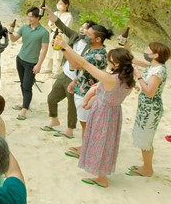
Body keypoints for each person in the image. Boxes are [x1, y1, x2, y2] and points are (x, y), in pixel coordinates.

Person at [57, 37, 136, 187]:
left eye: (110, 59)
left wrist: (66, 46)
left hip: (103, 112)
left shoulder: (110, 79)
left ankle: (102, 178)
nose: (108, 60)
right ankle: (102, 174)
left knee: (99, 142)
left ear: (117, 64)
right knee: (107, 143)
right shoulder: (128, 79)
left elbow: (84, 64)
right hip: (115, 112)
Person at [62, 24, 112, 159]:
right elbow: (82, 69)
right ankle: (85, 146)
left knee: (86, 124)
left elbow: (78, 64)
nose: (85, 36)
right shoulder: (91, 49)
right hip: (82, 88)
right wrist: (75, 81)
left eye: (89, 35)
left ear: (98, 39)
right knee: (83, 122)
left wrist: (65, 48)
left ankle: (86, 149)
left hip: (88, 94)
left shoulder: (99, 55)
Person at [42, 16, 95, 140]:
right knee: (51, 98)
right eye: (81, 26)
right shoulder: (75, 36)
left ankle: (70, 130)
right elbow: (62, 26)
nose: (82, 29)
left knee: (72, 106)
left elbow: (82, 64)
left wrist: (64, 48)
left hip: (76, 79)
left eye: (86, 28)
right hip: (64, 74)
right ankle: (54, 120)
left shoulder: (91, 47)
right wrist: (49, 12)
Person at [126, 42, 171, 178]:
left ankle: (147, 169)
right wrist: (126, 43)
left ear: (156, 55)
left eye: (148, 49)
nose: (145, 51)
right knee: (143, 136)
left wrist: (138, 75)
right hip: (145, 108)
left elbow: (150, 92)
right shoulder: (154, 66)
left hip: (151, 109)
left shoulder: (158, 71)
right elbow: (132, 58)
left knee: (145, 139)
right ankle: (146, 166)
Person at [8, 6, 49, 120]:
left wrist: (39, 65)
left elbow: (44, 49)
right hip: (20, 59)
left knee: (27, 86)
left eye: (31, 16)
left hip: (32, 63)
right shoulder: (24, 27)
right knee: (22, 84)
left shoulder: (44, 32)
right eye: (28, 16)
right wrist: (10, 33)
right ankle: (25, 104)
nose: (29, 18)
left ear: (38, 17)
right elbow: (13, 39)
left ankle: (24, 110)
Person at [47, 0, 73, 77]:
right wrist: (51, 23)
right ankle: (48, 68)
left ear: (66, 5)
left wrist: (55, 24)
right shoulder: (55, 13)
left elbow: (65, 28)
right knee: (50, 51)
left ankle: (56, 72)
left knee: (58, 53)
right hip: (53, 33)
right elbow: (50, 25)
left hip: (61, 35)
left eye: (61, 3)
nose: (59, 5)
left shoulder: (69, 16)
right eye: (58, 3)